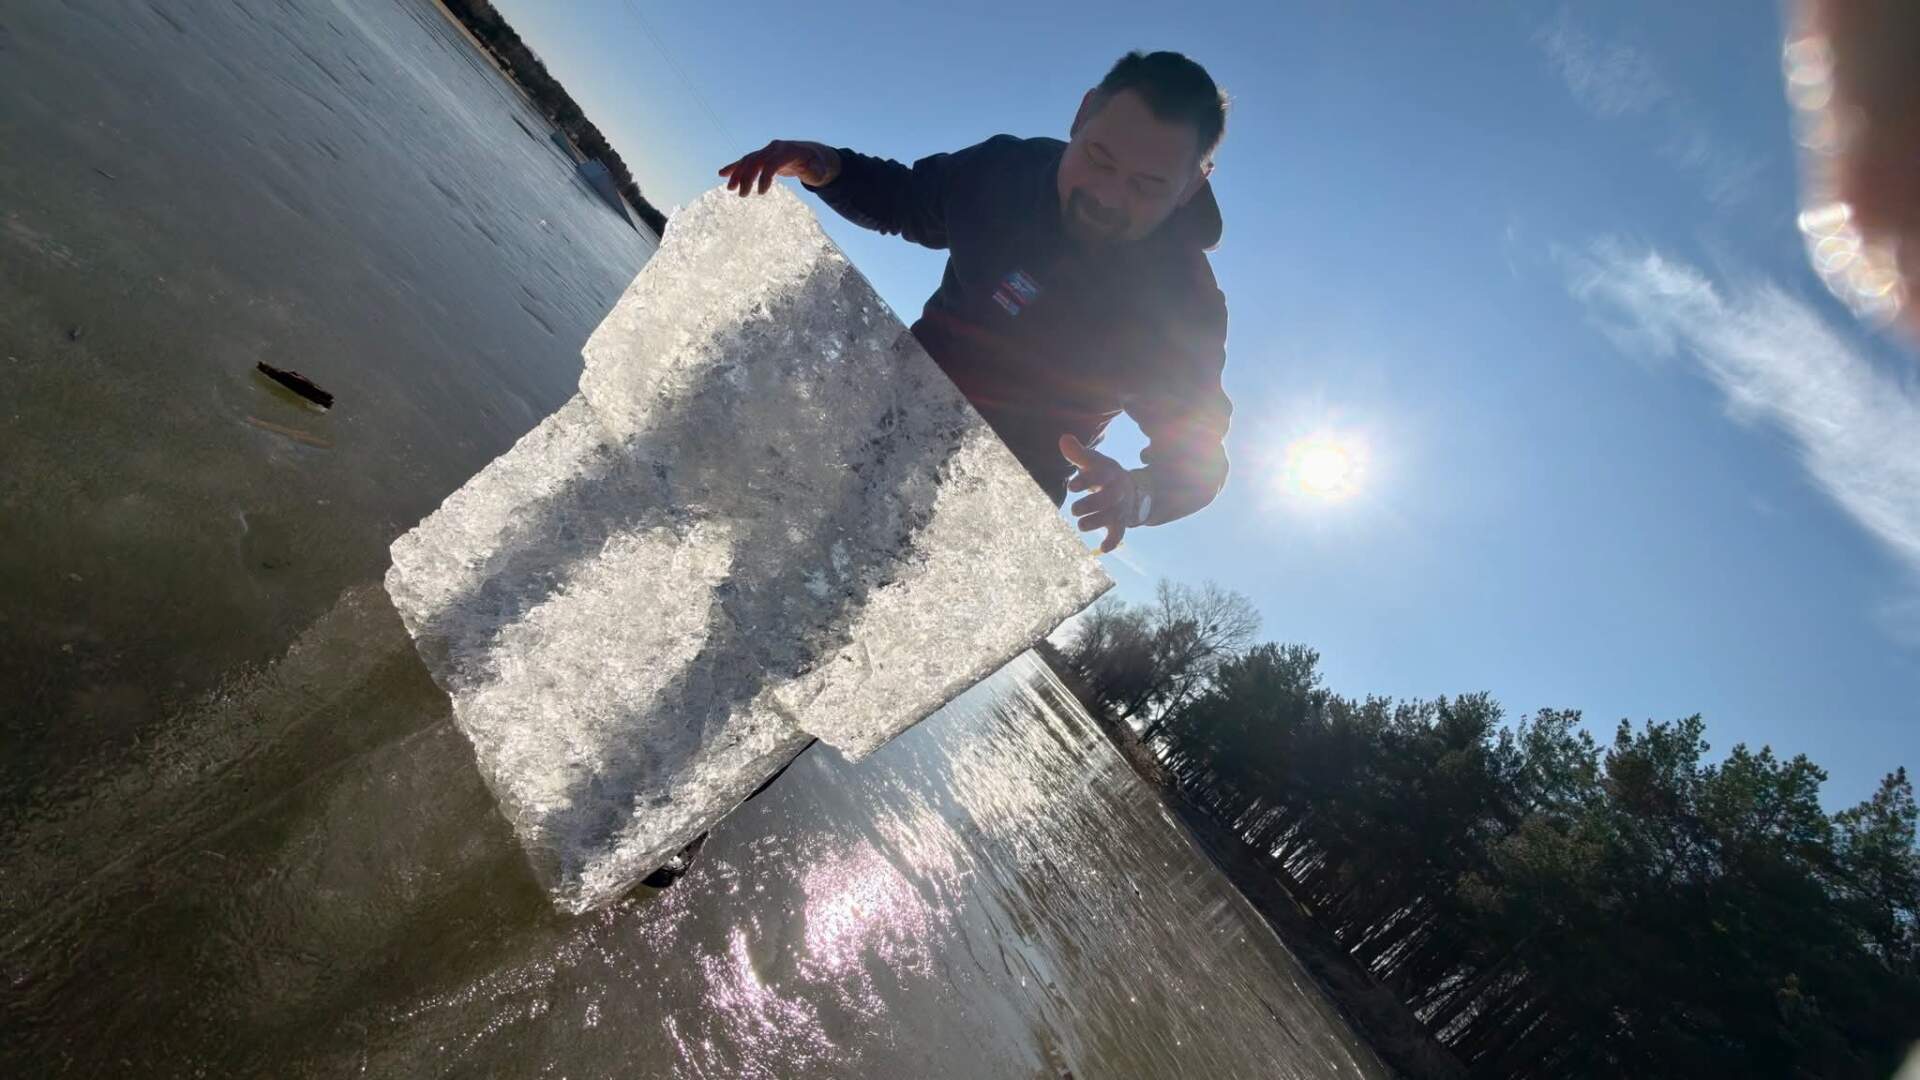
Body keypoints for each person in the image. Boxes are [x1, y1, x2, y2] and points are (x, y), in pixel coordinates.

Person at [718, 50, 1234, 555]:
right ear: (1083, 114)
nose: (1108, 196)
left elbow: (1199, 458)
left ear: (1192, 184)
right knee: (755, 549)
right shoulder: (1006, 171)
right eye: (1100, 158)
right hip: (887, 409)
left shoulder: (1181, 304)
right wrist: (828, 167)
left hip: (983, 500)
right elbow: (908, 199)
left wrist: (1140, 496)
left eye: (1147, 186)